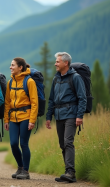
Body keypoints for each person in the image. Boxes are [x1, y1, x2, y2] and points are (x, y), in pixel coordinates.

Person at [45, 52, 86, 183]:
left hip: (72, 115)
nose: (55, 64)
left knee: (68, 142)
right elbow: (51, 99)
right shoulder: (56, 78)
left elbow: (82, 98)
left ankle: (70, 172)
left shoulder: (76, 77)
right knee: (62, 144)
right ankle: (67, 172)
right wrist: (48, 116)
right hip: (58, 115)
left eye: (57, 61)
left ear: (65, 63)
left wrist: (79, 116)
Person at [4, 57, 38, 179]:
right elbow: (7, 102)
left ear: (20, 67)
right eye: (10, 65)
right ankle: (20, 167)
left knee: (23, 144)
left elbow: (35, 103)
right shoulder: (10, 82)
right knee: (13, 144)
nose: (10, 67)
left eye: (13, 65)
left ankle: (26, 171)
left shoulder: (29, 82)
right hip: (13, 117)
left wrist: (32, 120)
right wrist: (6, 120)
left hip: (26, 117)